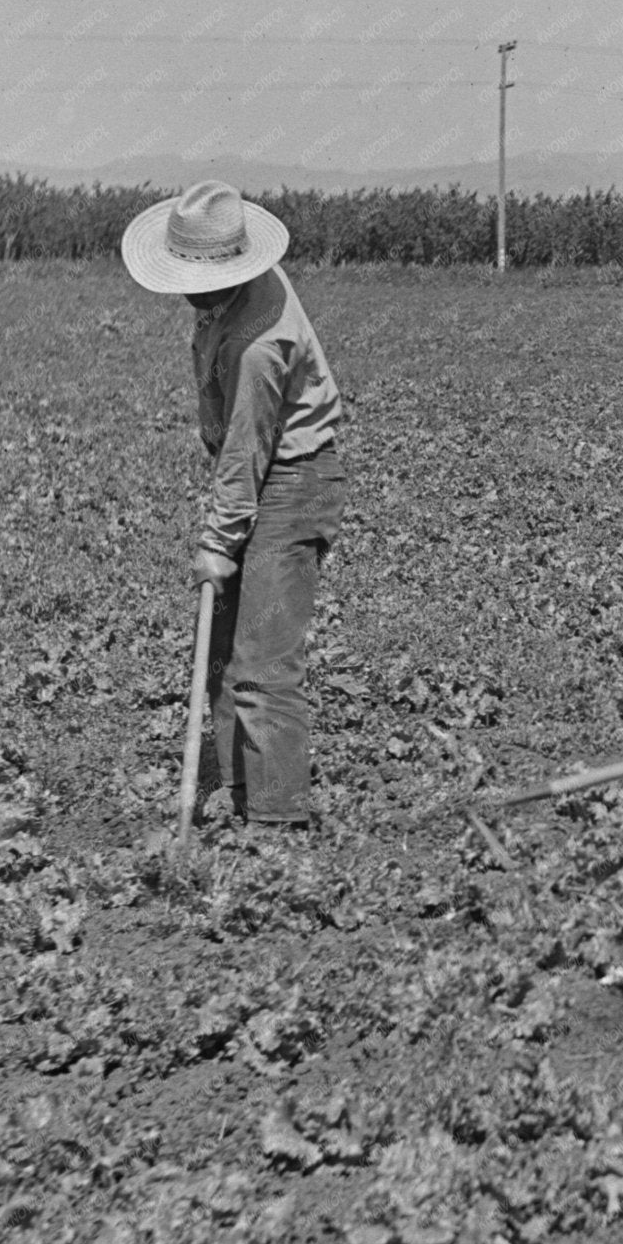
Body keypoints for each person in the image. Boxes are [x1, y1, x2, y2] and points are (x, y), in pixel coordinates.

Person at [120, 180, 347, 830]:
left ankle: (276, 828)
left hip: (295, 479)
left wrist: (219, 543)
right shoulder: (226, 295)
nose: (183, 291)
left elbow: (250, 449)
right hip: (257, 470)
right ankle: (230, 793)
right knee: (221, 648)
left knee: (262, 662)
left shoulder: (256, 346)